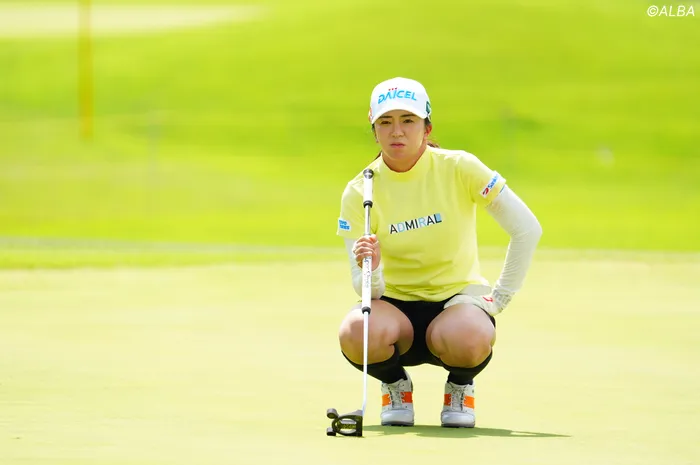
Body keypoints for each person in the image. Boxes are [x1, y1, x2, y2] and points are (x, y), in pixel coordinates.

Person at [335, 77, 542, 428]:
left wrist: (499, 298)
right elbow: (365, 289)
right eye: (385, 122)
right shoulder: (360, 191)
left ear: (427, 128)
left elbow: (527, 229)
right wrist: (374, 267)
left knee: (470, 336)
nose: (396, 131)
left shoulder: (460, 167)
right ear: (374, 131)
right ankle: (395, 385)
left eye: (408, 120)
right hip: (394, 308)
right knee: (355, 331)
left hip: (457, 304)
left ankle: (460, 387)